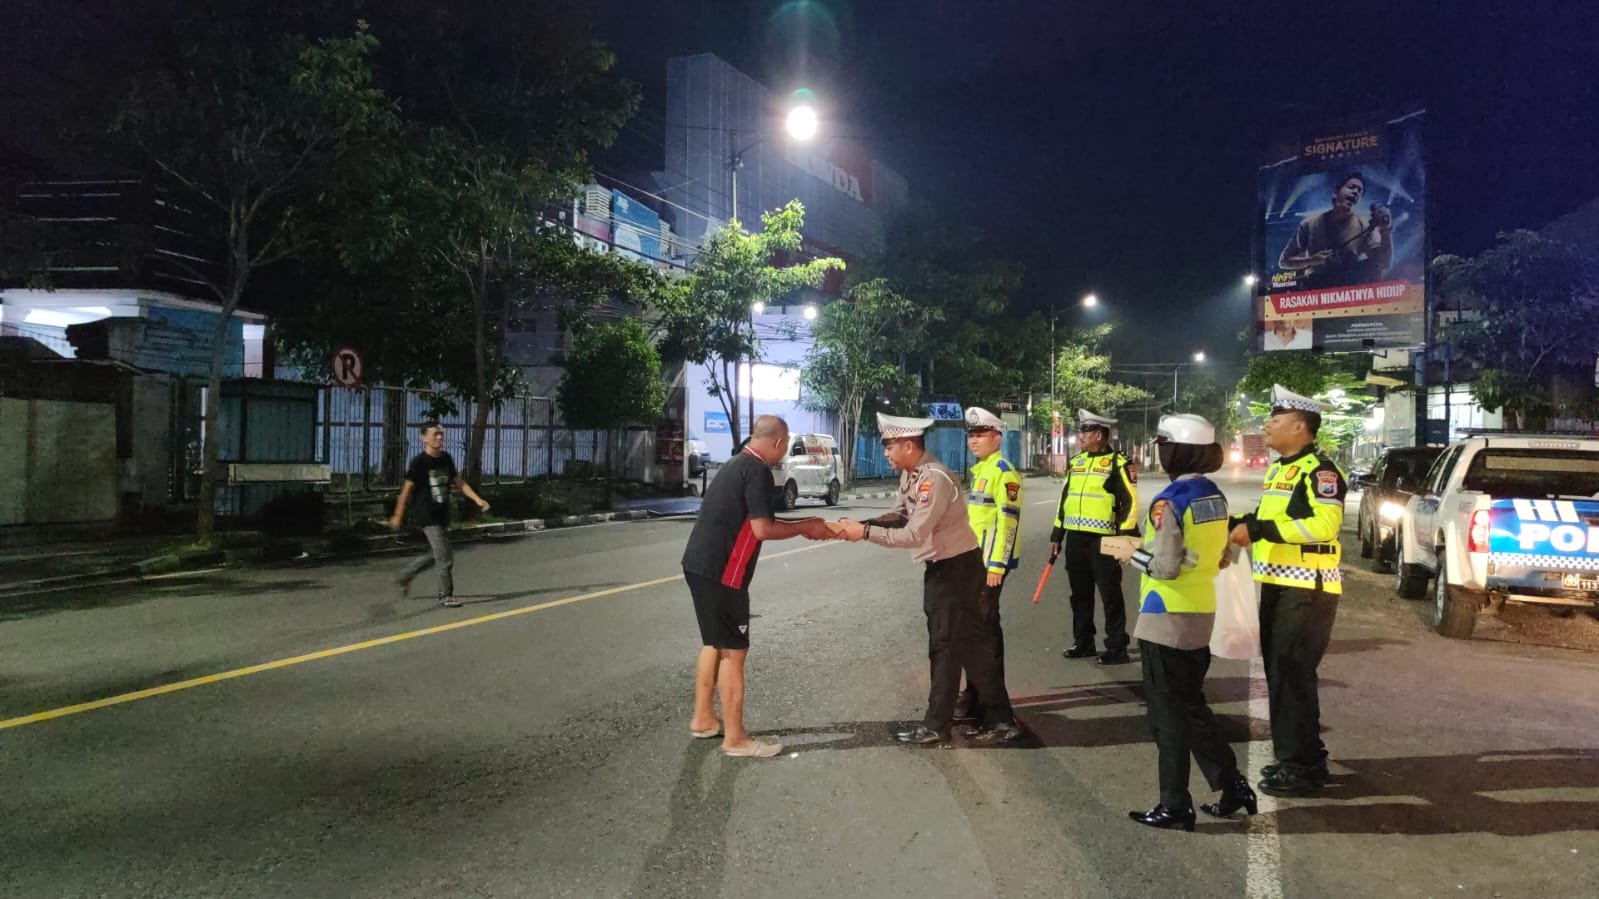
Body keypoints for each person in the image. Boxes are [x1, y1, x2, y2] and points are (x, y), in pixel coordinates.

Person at [1104, 414, 1256, 832]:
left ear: (1174, 450)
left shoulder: (1170, 500)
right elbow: (1220, 556)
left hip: (1165, 616)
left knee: (1167, 717)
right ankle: (1232, 784)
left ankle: (1175, 804)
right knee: (1191, 708)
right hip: (1201, 613)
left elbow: (1166, 567)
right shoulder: (1214, 497)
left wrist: (1127, 554)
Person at [835, 413, 1022, 746]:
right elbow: (899, 514)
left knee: (946, 647)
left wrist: (862, 532)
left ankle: (938, 726)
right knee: (971, 648)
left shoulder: (932, 479)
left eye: (890, 447)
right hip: (945, 569)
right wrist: (860, 523)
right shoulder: (912, 475)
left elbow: (913, 533)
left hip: (957, 571)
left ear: (909, 445)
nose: (887, 455)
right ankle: (1000, 719)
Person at [681, 415, 832, 759]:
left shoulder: (736, 462)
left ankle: (703, 718)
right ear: (778, 442)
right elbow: (763, 528)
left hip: (698, 565)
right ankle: (735, 739)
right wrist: (806, 526)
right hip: (724, 573)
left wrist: (803, 523)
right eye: (785, 446)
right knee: (734, 652)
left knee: (714, 643)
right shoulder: (759, 470)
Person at [1229, 385, 1347, 797]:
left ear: (1300, 426)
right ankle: (1300, 757)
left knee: (1293, 675)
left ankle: (1302, 768)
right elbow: (1265, 517)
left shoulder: (1321, 471)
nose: (1266, 425)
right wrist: (1239, 522)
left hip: (1308, 588)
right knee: (1281, 673)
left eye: (1275, 420)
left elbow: (1324, 527)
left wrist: (1259, 528)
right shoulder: (1281, 469)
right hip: (1279, 582)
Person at [1050, 409, 1139, 665]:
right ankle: (1084, 642)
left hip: (1105, 538)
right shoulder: (1076, 463)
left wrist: (1125, 538)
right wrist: (1057, 534)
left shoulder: (1118, 463)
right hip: (1076, 539)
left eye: (1084, 432)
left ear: (1098, 435)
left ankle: (1116, 646)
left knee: (1110, 594)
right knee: (1079, 594)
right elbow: (1064, 501)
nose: (1080, 437)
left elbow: (1130, 502)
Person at [953, 407, 1021, 731]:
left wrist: (997, 564)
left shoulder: (1004, 471)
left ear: (997, 436)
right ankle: (976, 696)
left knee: (983, 635)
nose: (974, 441)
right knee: (980, 630)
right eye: (971, 435)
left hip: (988, 565)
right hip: (974, 561)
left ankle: (993, 708)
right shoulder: (981, 469)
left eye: (980, 435)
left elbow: (1007, 523)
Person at [391, 421, 490, 607]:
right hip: (427, 514)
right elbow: (406, 490)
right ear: (424, 438)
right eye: (435, 434)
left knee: (438, 554)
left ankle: (405, 575)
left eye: (441, 434)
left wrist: (477, 500)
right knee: (445, 557)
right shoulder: (419, 463)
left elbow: (459, 483)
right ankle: (446, 595)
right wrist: (398, 515)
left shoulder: (445, 458)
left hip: (442, 512)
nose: (439, 437)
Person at [1277, 170, 1396, 289]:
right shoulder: (1309, 224)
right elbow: (1284, 261)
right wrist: (1311, 260)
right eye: (1351, 187)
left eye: (1360, 191)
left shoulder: (1364, 226)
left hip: (1349, 290)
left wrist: (1386, 231)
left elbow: (1382, 263)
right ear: (1335, 192)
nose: (1356, 192)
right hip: (1316, 289)